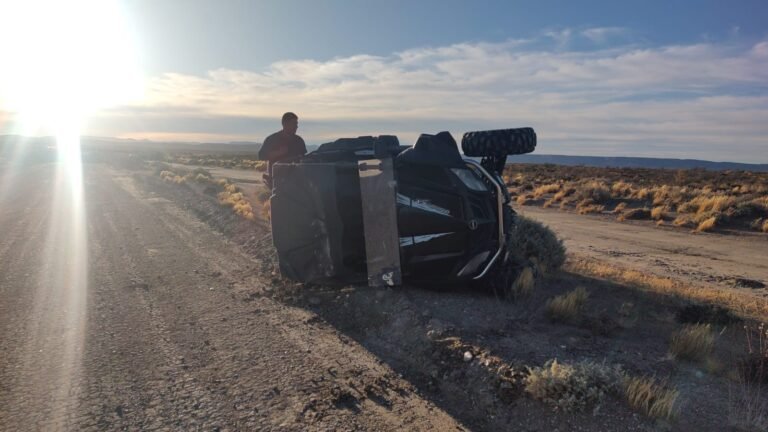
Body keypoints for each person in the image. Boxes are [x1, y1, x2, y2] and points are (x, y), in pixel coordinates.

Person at [259, 112, 307, 188]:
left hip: (297, 179)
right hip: (277, 179)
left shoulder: (299, 140)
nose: (296, 126)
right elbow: (261, 155)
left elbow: (304, 158)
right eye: (294, 123)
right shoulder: (272, 139)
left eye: (296, 124)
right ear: (285, 124)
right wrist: (279, 153)